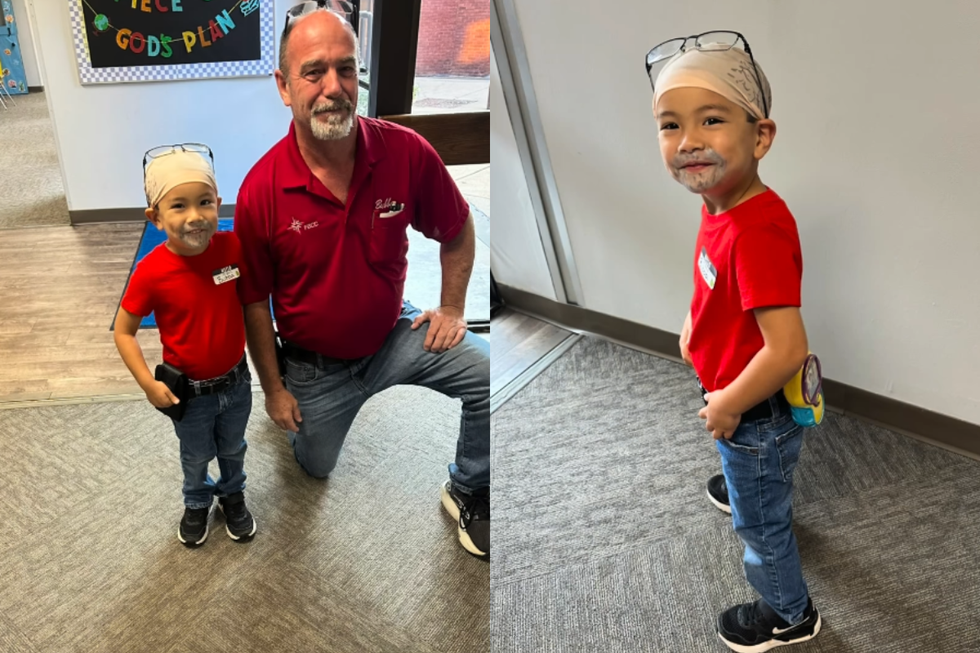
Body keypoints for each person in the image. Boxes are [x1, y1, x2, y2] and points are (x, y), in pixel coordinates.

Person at [233, 4, 490, 558]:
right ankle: (299, 421)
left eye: (346, 69)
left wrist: (451, 307)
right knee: (316, 468)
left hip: (394, 334)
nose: (334, 87)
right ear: (283, 86)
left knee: (490, 373)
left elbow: (458, 228)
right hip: (315, 365)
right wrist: (275, 390)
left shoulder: (404, 152)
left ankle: (470, 487)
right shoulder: (261, 191)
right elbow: (253, 302)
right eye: (314, 72)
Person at [647, 34, 821, 650]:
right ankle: (748, 476)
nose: (688, 139)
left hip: (755, 408)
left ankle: (789, 613)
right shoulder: (717, 198)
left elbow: (786, 349)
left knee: (762, 526)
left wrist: (726, 407)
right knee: (754, 473)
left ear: (760, 136)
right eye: (671, 125)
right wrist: (696, 325)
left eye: (712, 119)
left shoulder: (758, 231)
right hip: (733, 387)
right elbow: (712, 277)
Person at [114, 145, 257, 547]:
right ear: (156, 218)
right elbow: (123, 331)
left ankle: (232, 495)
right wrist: (146, 382)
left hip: (236, 384)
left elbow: (251, 304)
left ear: (218, 204)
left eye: (205, 202)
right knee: (195, 455)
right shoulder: (151, 272)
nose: (195, 216)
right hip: (190, 396)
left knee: (233, 447)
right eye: (178, 206)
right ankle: (196, 501)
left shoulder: (232, 249)